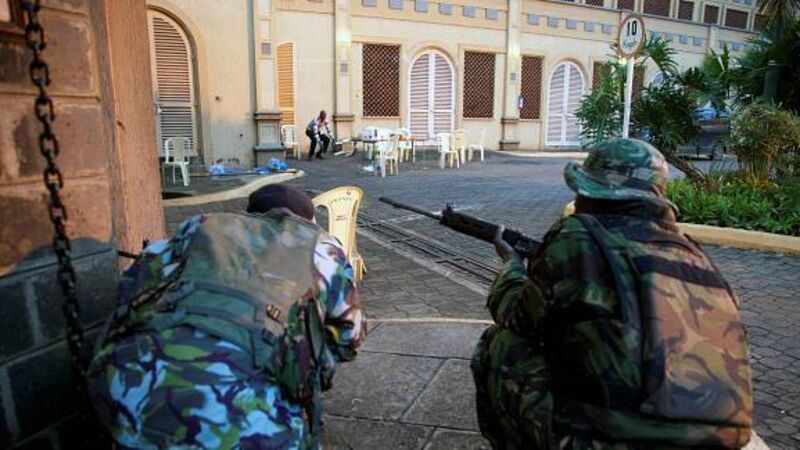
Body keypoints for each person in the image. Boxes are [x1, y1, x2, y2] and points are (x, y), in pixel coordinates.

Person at [471, 138, 753, 449]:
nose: (577, 202)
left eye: (582, 192)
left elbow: (515, 314)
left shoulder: (577, 236)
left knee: (499, 344)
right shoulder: (697, 257)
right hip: (716, 440)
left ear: (596, 194)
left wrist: (511, 265)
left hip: (617, 442)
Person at [88, 184, 365, 449]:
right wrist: (304, 357)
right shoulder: (321, 246)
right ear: (308, 221)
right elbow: (349, 339)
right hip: (237, 415)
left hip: (125, 388)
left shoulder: (199, 226)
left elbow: (129, 288)